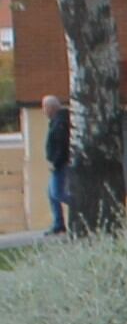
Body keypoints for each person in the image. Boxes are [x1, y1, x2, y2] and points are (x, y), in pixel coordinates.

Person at [40, 97, 70, 236]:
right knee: (52, 194)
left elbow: (62, 146)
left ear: (51, 108)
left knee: (58, 193)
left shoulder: (60, 123)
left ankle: (82, 205)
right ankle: (58, 224)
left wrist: (56, 163)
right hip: (58, 164)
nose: (43, 111)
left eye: (44, 107)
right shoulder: (57, 121)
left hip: (61, 165)